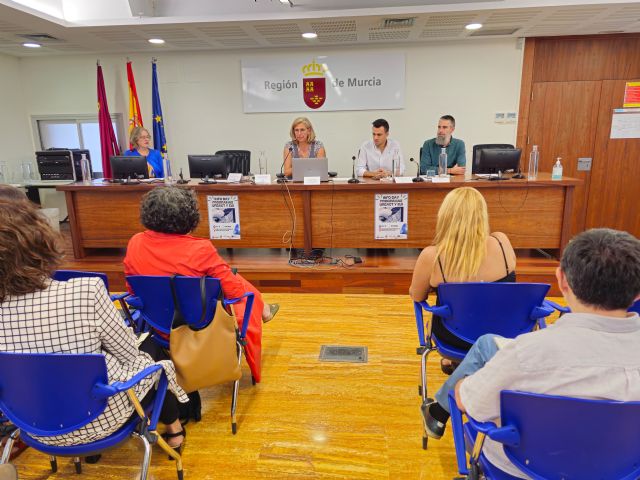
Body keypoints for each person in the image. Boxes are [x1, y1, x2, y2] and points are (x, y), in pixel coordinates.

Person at [424, 228, 640, 479]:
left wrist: (462, 385)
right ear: (637, 293)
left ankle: (437, 413)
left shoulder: (525, 354)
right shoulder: (525, 354)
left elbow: (470, 404)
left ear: (562, 281)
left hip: (518, 470)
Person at [0, 199, 188, 451]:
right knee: (151, 350)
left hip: (30, 424)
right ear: (38, 241)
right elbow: (128, 354)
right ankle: (174, 429)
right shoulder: (85, 291)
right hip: (100, 419)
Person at [123, 187, 279, 384]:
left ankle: (264, 308)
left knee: (225, 277)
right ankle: (264, 309)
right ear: (190, 216)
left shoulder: (136, 242)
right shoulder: (200, 249)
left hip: (158, 327)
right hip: (199, 328)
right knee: (235, 282)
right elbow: (236, 293)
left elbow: (132, 291)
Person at [410, 186, 516, 352]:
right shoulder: (501, 242)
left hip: (455, 337)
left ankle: (453, 361)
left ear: (445, 216)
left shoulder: (432, 256)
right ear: (482, 215)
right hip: (503, 333)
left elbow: (417, 296)